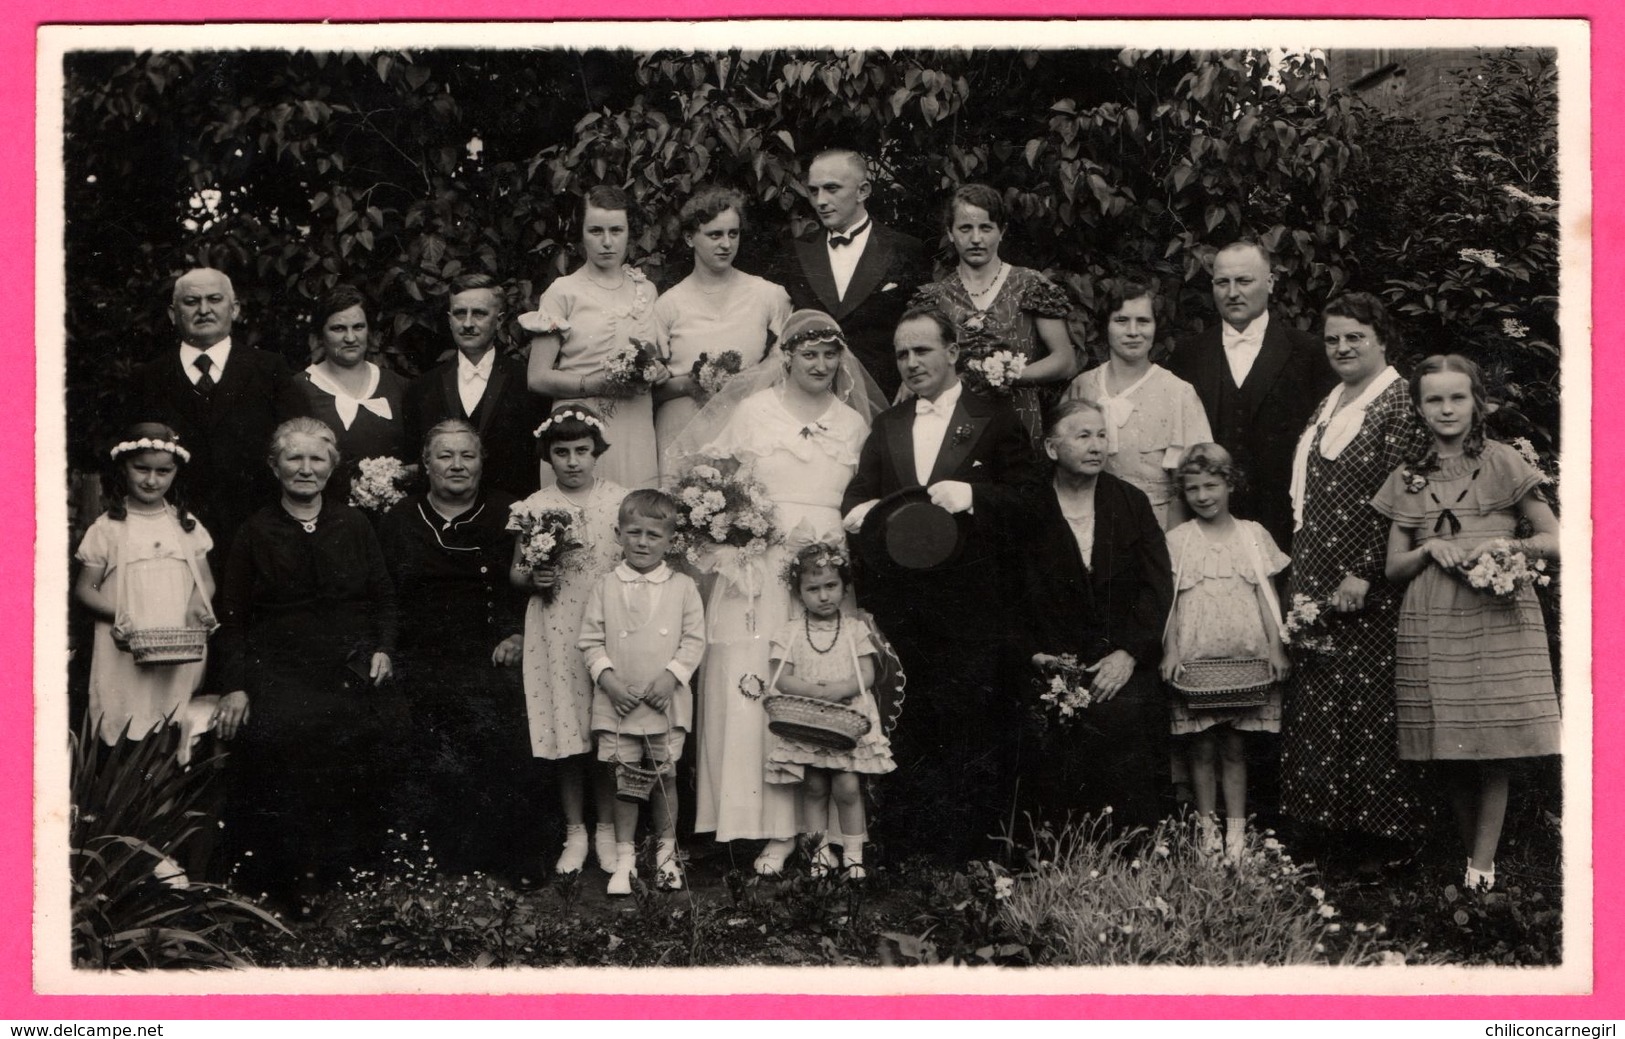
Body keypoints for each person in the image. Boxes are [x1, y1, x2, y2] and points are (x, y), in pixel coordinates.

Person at [665, 309, 883, 876]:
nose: (819, 364)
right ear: (785, 356)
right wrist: (733, 529)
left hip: (823, 572)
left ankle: (827, 833)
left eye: (829, 354)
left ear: (841, 360)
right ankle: (769, 830)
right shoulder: (754, 412)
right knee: (751, 686)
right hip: (756, 566)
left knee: (821, 688)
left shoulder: (854, 424)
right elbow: (705, 481)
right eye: (807, 353)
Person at [842, 306, 1037, 863]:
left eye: (922, 350)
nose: (910, 363)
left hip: (976, 604)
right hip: (906, 605)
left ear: (953, 352)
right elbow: (854, 501)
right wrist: (869, 511)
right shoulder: (888, 426)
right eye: (902, 354)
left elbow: (1032, 500)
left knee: (973, 723)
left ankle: (977, 851)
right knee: (912, 721)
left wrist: (974, 496)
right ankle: (910, 851)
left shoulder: (993, 416)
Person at [1374, 355, 1561, 892]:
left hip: (1495, 607)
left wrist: (1501, 545)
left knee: (1493, 741)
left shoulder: (1503, 462)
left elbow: (1556, 540)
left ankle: (1482, 868)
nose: (1446, 408)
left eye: (1457, 397)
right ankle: (1468, 863)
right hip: (1433, 613)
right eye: (1434, 399)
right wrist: (1432, 547)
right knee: (1449, 740)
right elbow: (1393, 568)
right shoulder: (1409, 476)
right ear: (1417, 407)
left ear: (1478, 404)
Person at [214, 417, 398, 912]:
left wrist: (383, 647)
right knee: (288, 756)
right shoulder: (255, 531)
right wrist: (236, 686)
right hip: (279, 672)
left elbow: (383, 596)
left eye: (317, 458)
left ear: (332, 466)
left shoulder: (354, 524)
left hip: (347, 667)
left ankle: (348, 878)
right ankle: (294, 881)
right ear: (274, 466)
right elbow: (233, 618)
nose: (306, 468)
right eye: (294, 458)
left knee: (356, 755)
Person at [1278, 292, 1432, 870]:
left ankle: (1382, 842)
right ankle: (1324, 834)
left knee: (1370, 706)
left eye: (1354, 338)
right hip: (1316, 572)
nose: (1342, 348)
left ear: (1382, 340)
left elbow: (1403, 501)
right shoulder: (1335, 399)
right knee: (1320, 701)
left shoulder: (1397, 404)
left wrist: (1364, 571)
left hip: (1365, 580)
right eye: (1333, 339)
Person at [376, 420, 531, 878]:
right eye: (445, 455)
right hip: (419, 654)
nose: (457, 465)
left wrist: (519, 633)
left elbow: (531, 590)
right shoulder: (400, 519)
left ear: (482, 461)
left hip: (491, 648)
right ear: (425, 463)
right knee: (412, 730)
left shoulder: (509, 513)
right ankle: (428, 857)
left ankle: (504, 856)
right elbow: (383, 596)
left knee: (499, 728)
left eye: (468, 455)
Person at [1015, 399, 1172, 834]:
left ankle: (1132, 855)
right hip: (1047, 662)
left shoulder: (1129, 502)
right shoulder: (1027, 505)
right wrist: (1033, 655)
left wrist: (1128, 654)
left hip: (1118, 661)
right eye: (1083, 435)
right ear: (1051, 448)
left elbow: (1157, 586)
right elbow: (1004, 591)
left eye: (1101, 435)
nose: (1096, 445)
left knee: (1125, 723)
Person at [124, 267, 309, 567]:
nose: (204, 310)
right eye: (191, 302)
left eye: (214, 299)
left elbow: (301, 446)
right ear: (173, 313)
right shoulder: (148, 379)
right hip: (172, 537)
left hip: (260, 536)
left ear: (234, 308)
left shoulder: (269, 370)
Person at [509, 405, 626, 875]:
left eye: (582, 451)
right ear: (547, 456)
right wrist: (534, 576)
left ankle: (608, 831)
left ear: (597, 453)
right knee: (567, 732)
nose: (573, 461)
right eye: (562, 452)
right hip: (557, 628)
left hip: (608, 629)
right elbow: (515, 573)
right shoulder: (534, 507)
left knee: (605, 734)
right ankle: (575, 830)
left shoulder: (620, 500)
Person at [1160, 444, 1291, 861]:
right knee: (1200, 748)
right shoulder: (1177, 540)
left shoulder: (1252, 535)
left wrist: (1277, 648)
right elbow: (1171, 605)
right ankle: (1207, 833)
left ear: (1230, 484)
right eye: (1193, 488)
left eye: (1212, 485)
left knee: (1234, 748)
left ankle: (1236, 836)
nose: (1203, 496)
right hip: (1196, 662)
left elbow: (1267, 597)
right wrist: (1170, 652)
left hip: (1246, 661)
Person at [578, 490, 706, 896]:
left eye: (654, 534)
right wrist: (611, 683)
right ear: (619, 534)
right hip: (620, 705)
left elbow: (694, 640)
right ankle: (625, 859)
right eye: (634, 532)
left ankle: (667, 857)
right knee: (625, 782)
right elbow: (590, 641)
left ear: (670, 541)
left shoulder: (683, 586)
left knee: (665, 777)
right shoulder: (605, 585)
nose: (643, 542)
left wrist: (671, 677)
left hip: (664, 703)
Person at [1166, 242, 1335, 549]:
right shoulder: (1187, 355)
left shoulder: (1309, 353)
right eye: (1222, 282)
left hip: (1286, 526)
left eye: (1244, 281)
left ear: (1270, 283)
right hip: (1205, 527)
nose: (1232, 293)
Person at [74, 423, 216, 745]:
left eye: (163, 471)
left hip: (175, 647)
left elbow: (205, 581)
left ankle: (167, 790)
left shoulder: (186, 525)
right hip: (125, 647)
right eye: (141, 469)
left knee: (169, 724)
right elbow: (85, 589)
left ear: (175, 473)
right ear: (124, 467)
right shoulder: (108, 528)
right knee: (125, 726)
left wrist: (198, 603)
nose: (152, 480)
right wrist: (120, 613)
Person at [764, 541, 895, 880]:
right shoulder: (791, 631)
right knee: (814, 787)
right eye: (812, 589)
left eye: (831, 586)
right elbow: (780, 677)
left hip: (846, 722)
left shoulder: (854, 629)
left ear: (844, 587)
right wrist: (813, 692)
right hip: (808, 721)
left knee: (848, 787)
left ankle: (853, 854)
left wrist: (840, 689)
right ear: (799, 593)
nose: (823, 596)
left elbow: (868, 673)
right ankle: (818, 852)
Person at [908, 183, 1078, 441]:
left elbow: (1065, 361)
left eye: (986, 228)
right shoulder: (935, 297)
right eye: (965, 228)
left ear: (1002, 232)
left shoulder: (1030, 284)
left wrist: (1008, 374)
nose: (976, 239)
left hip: (1018, 417)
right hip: (954, 419)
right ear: (951, 233)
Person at [521, 187, 664, 491]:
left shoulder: (646, 290)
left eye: (616, 230)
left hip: (634, 425)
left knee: (633, 518)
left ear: (630, 233)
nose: (607, 242)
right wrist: (592, 383)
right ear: (581, 234)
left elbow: (654, 359)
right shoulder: (564, 292)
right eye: (596, 230)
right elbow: (537, 378)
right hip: (578, 429)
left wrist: (657, 371)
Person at [769, 148, 929, 400]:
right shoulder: (795, 253)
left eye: (832, 189)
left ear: (863, 191)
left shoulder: (905, 249)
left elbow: (921, 324)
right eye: (813, 190)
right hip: (812, 398)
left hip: (887, 397)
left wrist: (912, 381)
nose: (820, 201)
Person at [651, 185, 792, 461]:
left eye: (733, 233)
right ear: (690, 238)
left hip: (745, 425)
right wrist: (691, 384)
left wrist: (748, 382)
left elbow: (787, 361)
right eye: (715, 235)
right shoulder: (668, 304)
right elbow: (650, 390)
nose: (726, 244)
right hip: (681, 428)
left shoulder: (767, 294)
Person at [1065, 276, 1212, 529]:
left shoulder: (1178, 392)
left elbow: (1192, 482)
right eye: (1121, 321)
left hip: (1155, 525)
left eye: (1143, 321)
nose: (1133, 332)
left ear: (1156, 327)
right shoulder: (1083, 386)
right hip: (1088, 519)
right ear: (1106, 326)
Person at [404, 272, 549, 500]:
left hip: (509, 520)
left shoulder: (527, 382)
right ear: (450, 319)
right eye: (460, 314)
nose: (468, 323)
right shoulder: (422, 388)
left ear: (499, 320)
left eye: (479, 313)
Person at [296, 285, 412, 506]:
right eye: (338, 328)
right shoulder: (301, 388)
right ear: (321, 335)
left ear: (369, 331)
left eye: (358, 327)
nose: (350, 337)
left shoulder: (398, 386)